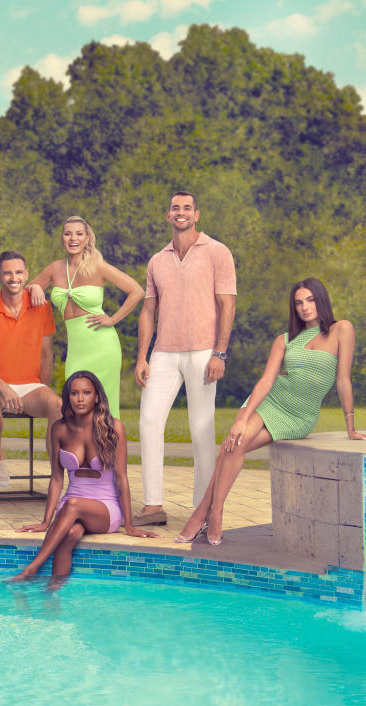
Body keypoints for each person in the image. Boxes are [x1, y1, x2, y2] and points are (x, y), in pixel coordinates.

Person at [175, 278, 366, 546]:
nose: (305, 308)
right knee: (234, 442)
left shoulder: (342, 329)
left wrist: (350, 427)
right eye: (299, 303)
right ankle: (215, 511)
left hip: (299, 415)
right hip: (271, 400)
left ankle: (201, 512)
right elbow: (266, 382)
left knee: (230, 446)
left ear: (321, 300)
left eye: (310, 300)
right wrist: (243, 417)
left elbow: (343, 380)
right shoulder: (285, 340)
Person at [133, 191, 236, 526]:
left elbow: (227, 305)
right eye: (175, 208)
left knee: (201, 428)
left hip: (204, 351)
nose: (181, 212)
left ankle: (203, 508)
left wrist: (220, 352)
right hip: (164, 352)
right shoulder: (156, 261)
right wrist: (142, 357)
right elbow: (148, 311)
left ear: (197, 214)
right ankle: (153, 505)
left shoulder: (217, 252)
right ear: (168, 216)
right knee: (148, 421)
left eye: (187, 208)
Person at [13, 371, 156, 586]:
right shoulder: (59, 428)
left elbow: (121, 478)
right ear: (68, 397)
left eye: (86, 393)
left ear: (97, 396)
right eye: (74, 393)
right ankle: (52, 593)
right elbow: (56, 480)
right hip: (72, 505)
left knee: (72, 504)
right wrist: (45, 521)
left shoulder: (114, 428)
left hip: (105, 509)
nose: (80, 399)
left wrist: (130, 525)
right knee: (69, 535)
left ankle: (32, 569)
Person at [28, 216, 144, 418]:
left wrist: (113, 319)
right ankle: (82, 450)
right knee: (75, 408)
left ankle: (110, 449)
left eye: (79, 233)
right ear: (62, 238)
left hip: (103, 345)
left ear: (87, 238)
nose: (73, 238)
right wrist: (36, 287)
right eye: (68, 233)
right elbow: (27, 289)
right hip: (76, 349)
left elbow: (136, 291)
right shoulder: (55, 268)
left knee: (105, 410)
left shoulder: (98, 266)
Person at [0, 250, 62, 487]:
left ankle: (57, 478)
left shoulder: (42, 307)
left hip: (28, 385)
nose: (14, 278)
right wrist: (4, 388)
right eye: (8, 273)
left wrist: (43, 386)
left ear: (27, 275)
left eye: (19, 272)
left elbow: (46, 353)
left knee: (57, 404)